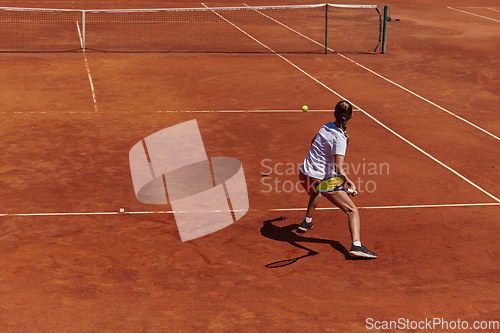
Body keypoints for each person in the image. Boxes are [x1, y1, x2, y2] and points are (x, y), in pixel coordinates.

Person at [297, 100, 377, 259]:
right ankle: (356, 246)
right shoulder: (340, 138)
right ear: (351, 116)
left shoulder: (325, 126)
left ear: (334, 114)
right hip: (321, 178)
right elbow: (339, 168)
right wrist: (349, 182)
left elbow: (313, 142)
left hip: (304, 174)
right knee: (352, 210)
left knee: (317, 190)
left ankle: (307, 221)